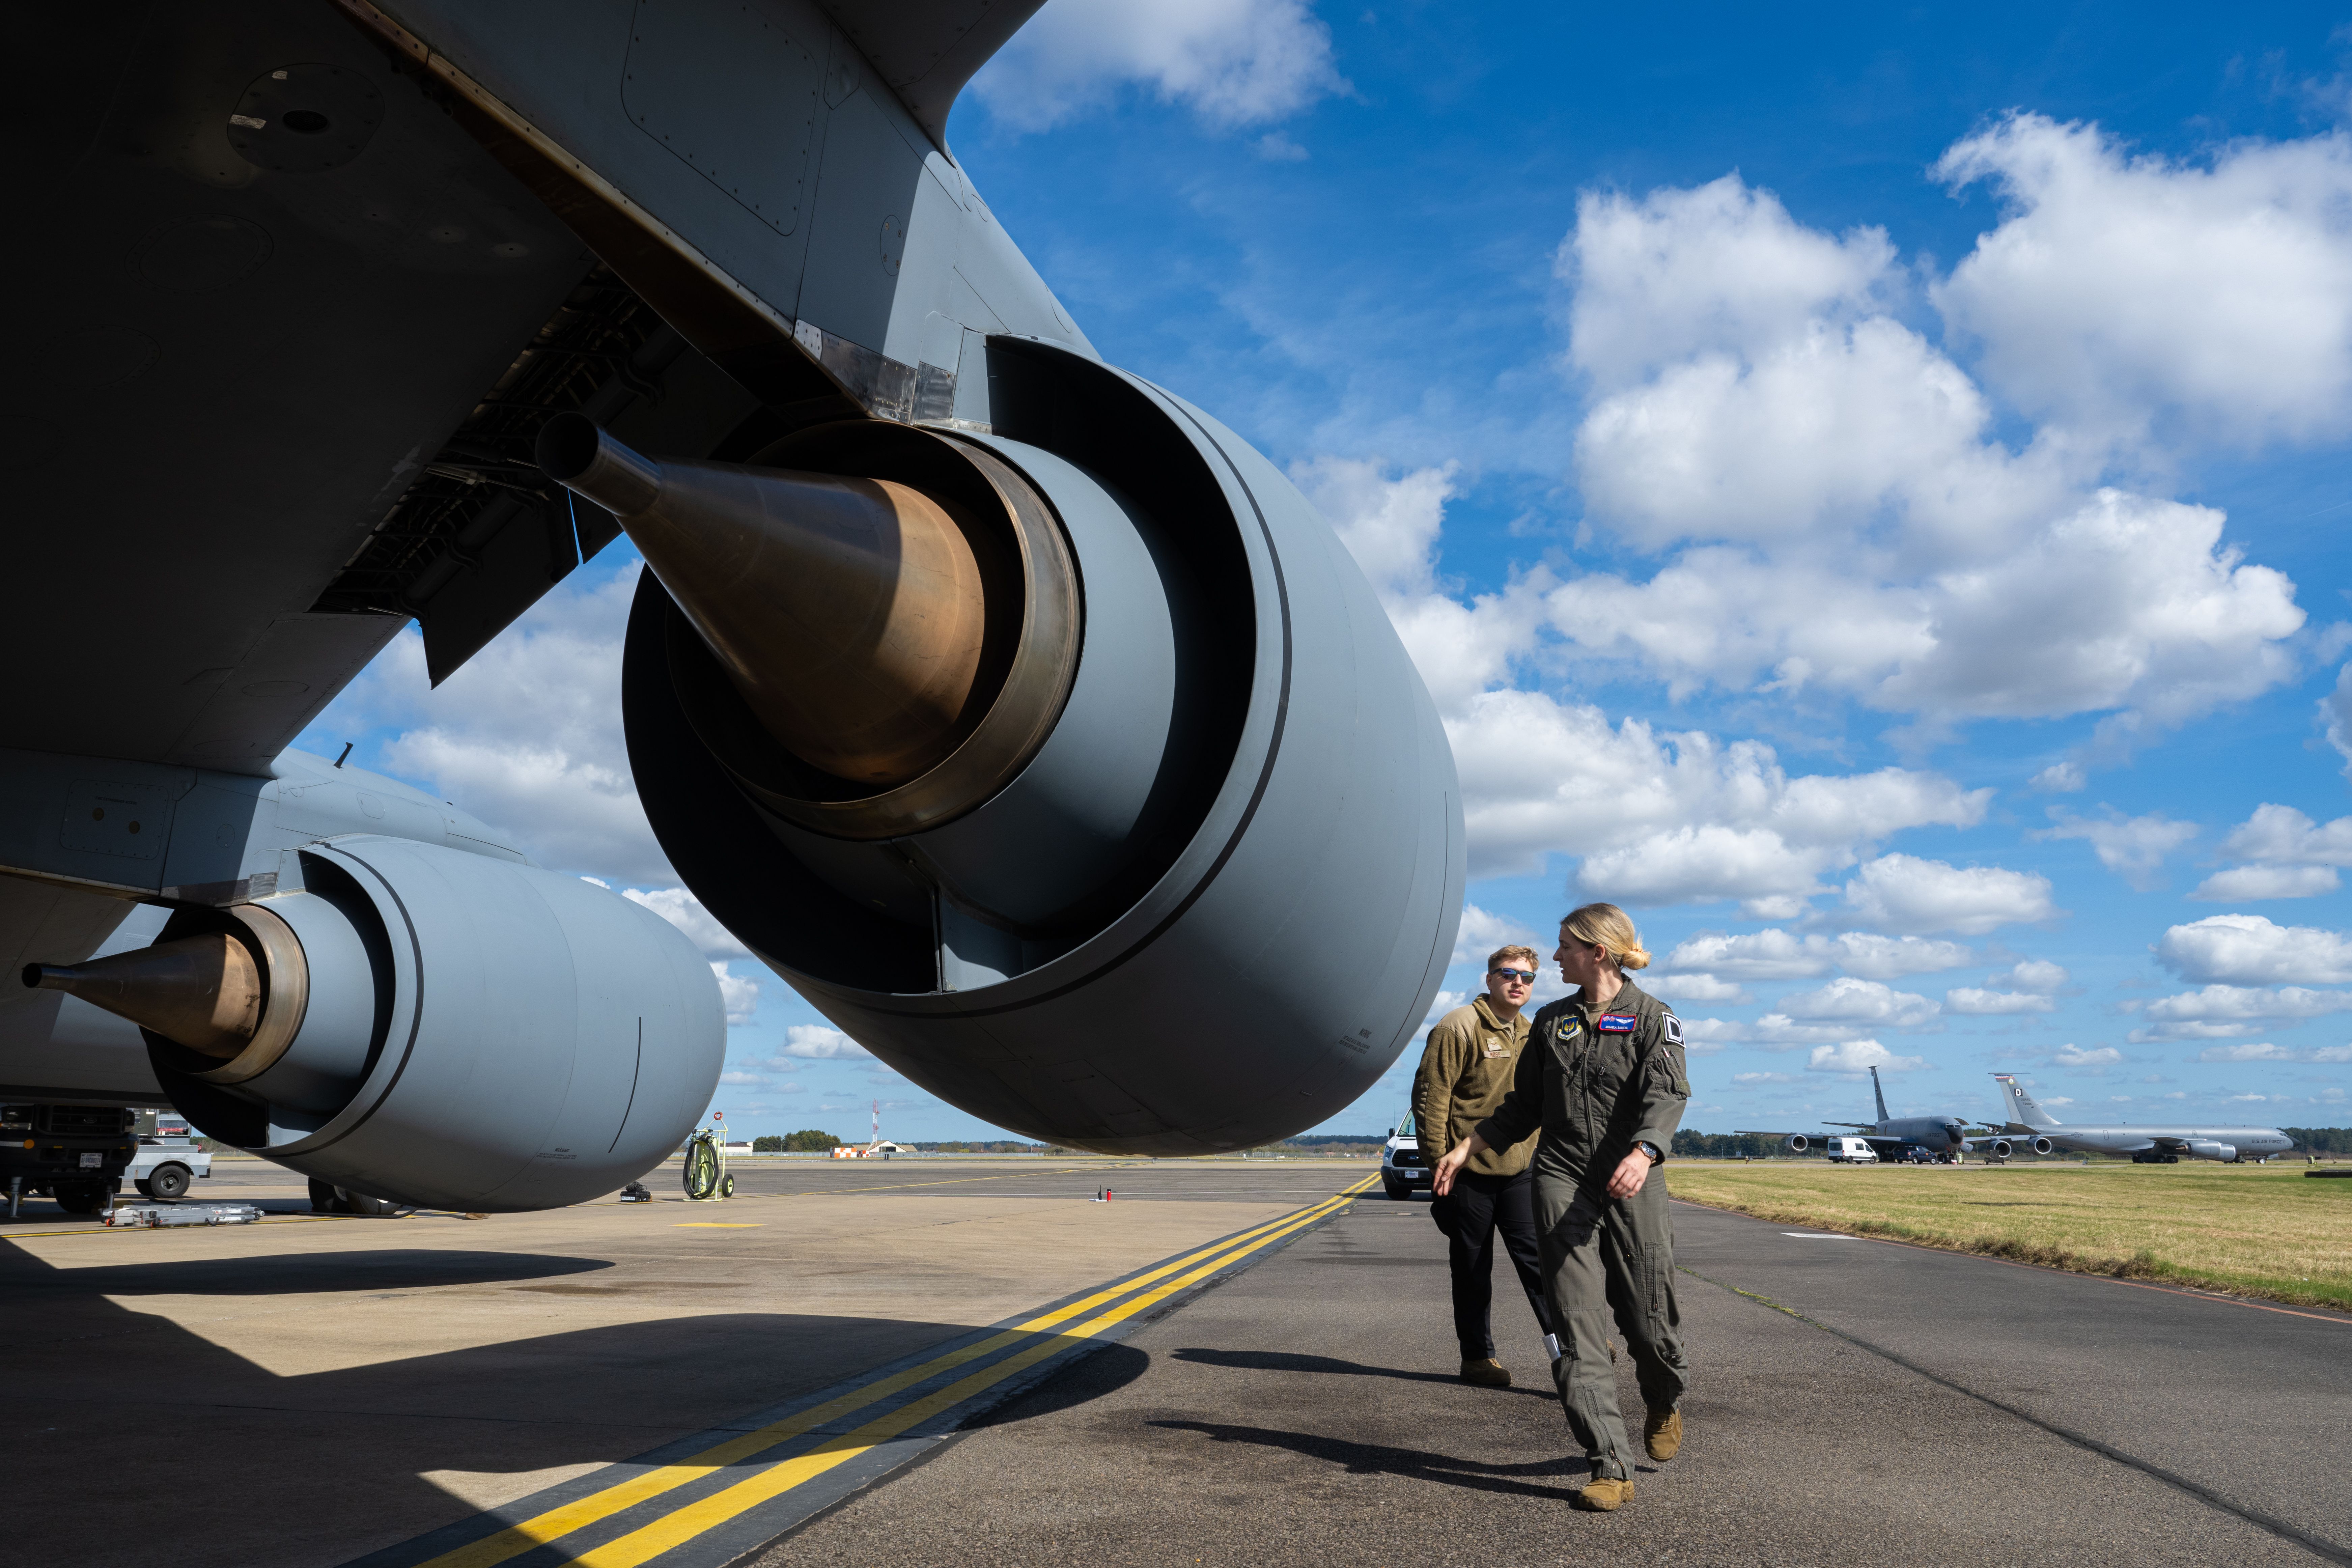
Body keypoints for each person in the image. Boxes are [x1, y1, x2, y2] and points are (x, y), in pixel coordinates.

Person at [1431, 903, 1691, 1513]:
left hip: (1633, 1178)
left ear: (1598, 952)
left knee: (1649, 1323)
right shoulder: (1553, 1022)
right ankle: (1609, 1464)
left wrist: (1645, 1152)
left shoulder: (1654, 1018)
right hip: (1561, 1176)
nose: (1554, 958)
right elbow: (1523, 1106)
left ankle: (1663, 1397)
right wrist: (1468, 1147)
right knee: (1574, 1324)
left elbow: (1668, 1093)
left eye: (1565, 947)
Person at [1412, 945, 1563, 1388]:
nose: (1518, 983)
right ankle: (1477, 1359)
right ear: (1490, 978)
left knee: (1540, 1263)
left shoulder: (1533, 1032)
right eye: (1508, 973)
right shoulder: (1458, 1026)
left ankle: (1572, 1350)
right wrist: (1439, 1167)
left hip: (1519, 1169)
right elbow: (1431, 1101)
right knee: (1472, 1268)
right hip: (1466, 1173)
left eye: (1527, 977)